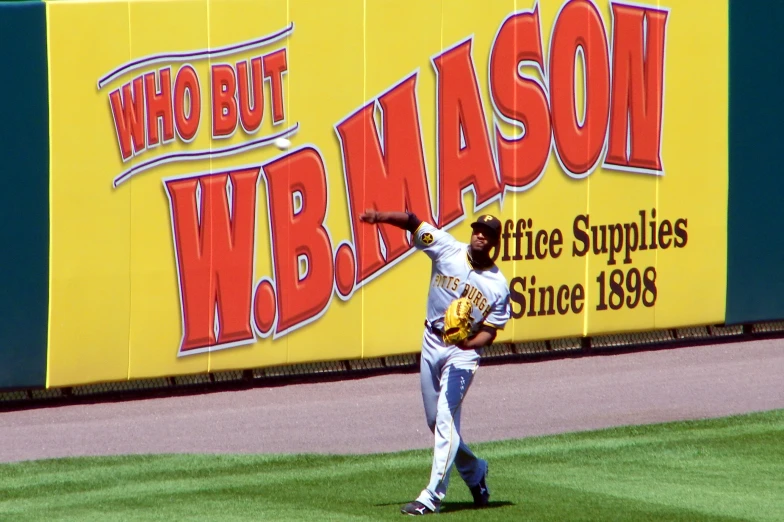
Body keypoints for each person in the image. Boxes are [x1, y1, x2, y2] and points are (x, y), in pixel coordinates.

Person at [358, 209, 511, 516]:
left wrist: (468, 342)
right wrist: (381, 217)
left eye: (488, 233)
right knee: (435, 421)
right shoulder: (445, 246)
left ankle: (432, 496)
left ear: (495, 241)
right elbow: (413, 222)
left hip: (463, 354)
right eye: (478, 229)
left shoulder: (498, 285)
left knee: (445, 417)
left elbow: (491, 333)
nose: (481, 234)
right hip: (431, 340)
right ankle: (475, 471)